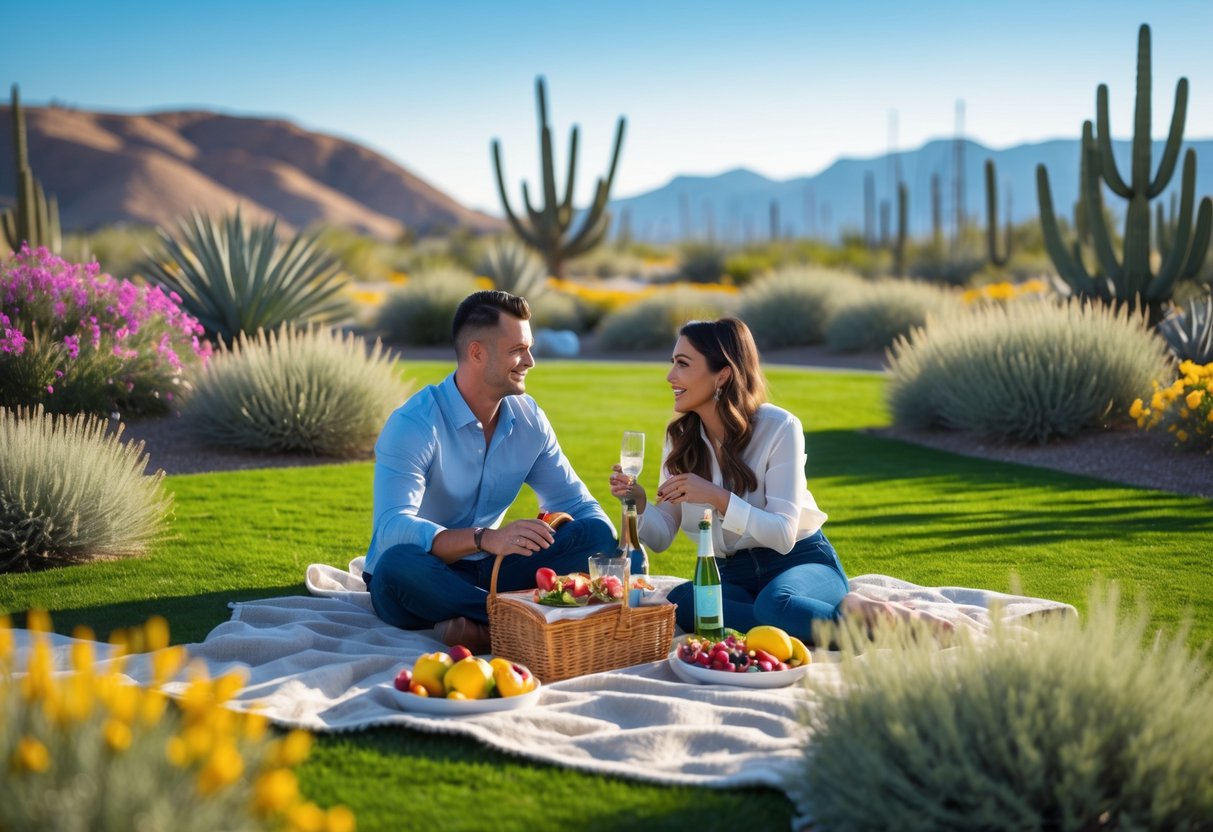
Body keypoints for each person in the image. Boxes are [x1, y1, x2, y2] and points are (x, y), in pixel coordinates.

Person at [609, 317, 948, 644]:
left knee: (775, 605)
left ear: (722, 375)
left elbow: (784, 535)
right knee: (684, 601)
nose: (670, 376)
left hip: (800, 560)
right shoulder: (681, 438)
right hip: (733, 573)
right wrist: (637, 502)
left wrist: (717, 497)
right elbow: (662, 535)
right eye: (673, 363)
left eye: (683, 363)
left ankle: (874, 618)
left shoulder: (780, 428)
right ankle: (825, 617)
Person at [365, 290, 620, 651]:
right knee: (396, 566)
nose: (529, 361)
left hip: (495, 572)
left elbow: (580, 506)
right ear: (476, 352)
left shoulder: (529, 419)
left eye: (528, 348)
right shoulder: (414, 423)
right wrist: (484, 537)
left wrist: (611, 555)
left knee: (596, 536)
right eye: (517, 350)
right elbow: (392, 528)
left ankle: (482, 623)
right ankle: (521, 622)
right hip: (427, 572)